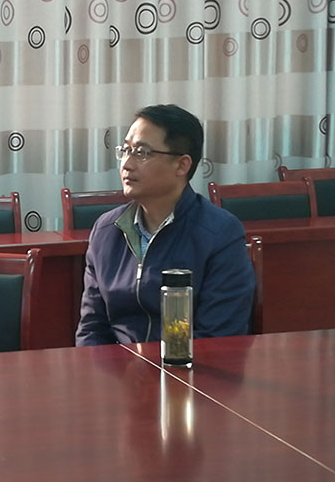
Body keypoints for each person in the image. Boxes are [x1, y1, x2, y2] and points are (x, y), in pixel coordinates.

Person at [75, 104, 255, 346]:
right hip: (116, 367)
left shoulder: (220, 234)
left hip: (188, 367)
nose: (127, 164)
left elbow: (218, 339)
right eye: (126, 150)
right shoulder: (107, 230)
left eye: (142, 153)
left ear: (182, 165)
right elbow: (91, 329)